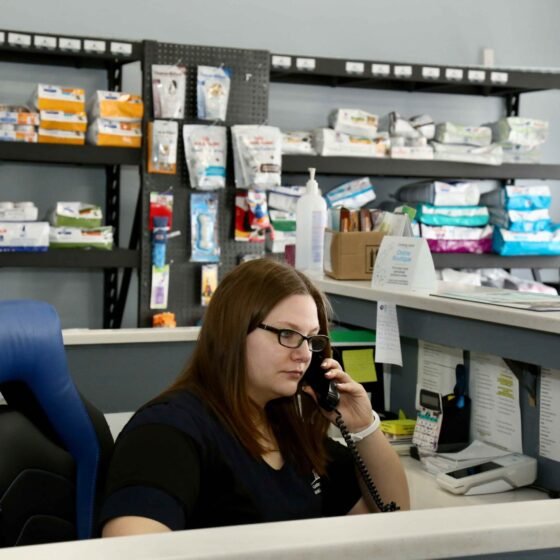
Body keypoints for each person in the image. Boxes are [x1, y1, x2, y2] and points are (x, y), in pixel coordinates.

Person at [100, 259, 409, 537]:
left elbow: (394, 521)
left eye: (311, 338)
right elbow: (129, 546)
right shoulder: (167, 431)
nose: (304, 354)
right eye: (287, 334)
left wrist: (363, 426)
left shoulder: (289, 430)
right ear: (233, 333)